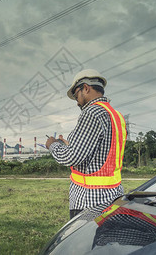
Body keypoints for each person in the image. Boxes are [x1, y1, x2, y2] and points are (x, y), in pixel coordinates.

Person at [46, 69, 127, 219]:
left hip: (89, 201)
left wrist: (52, 145)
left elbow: (70, 157)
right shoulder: (116, 116)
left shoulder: (92, 112)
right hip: (114, 196)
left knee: (83, 242)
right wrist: (69, 144)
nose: (76, 101)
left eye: (76, 95)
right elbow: (100, 152)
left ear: (86, 88)